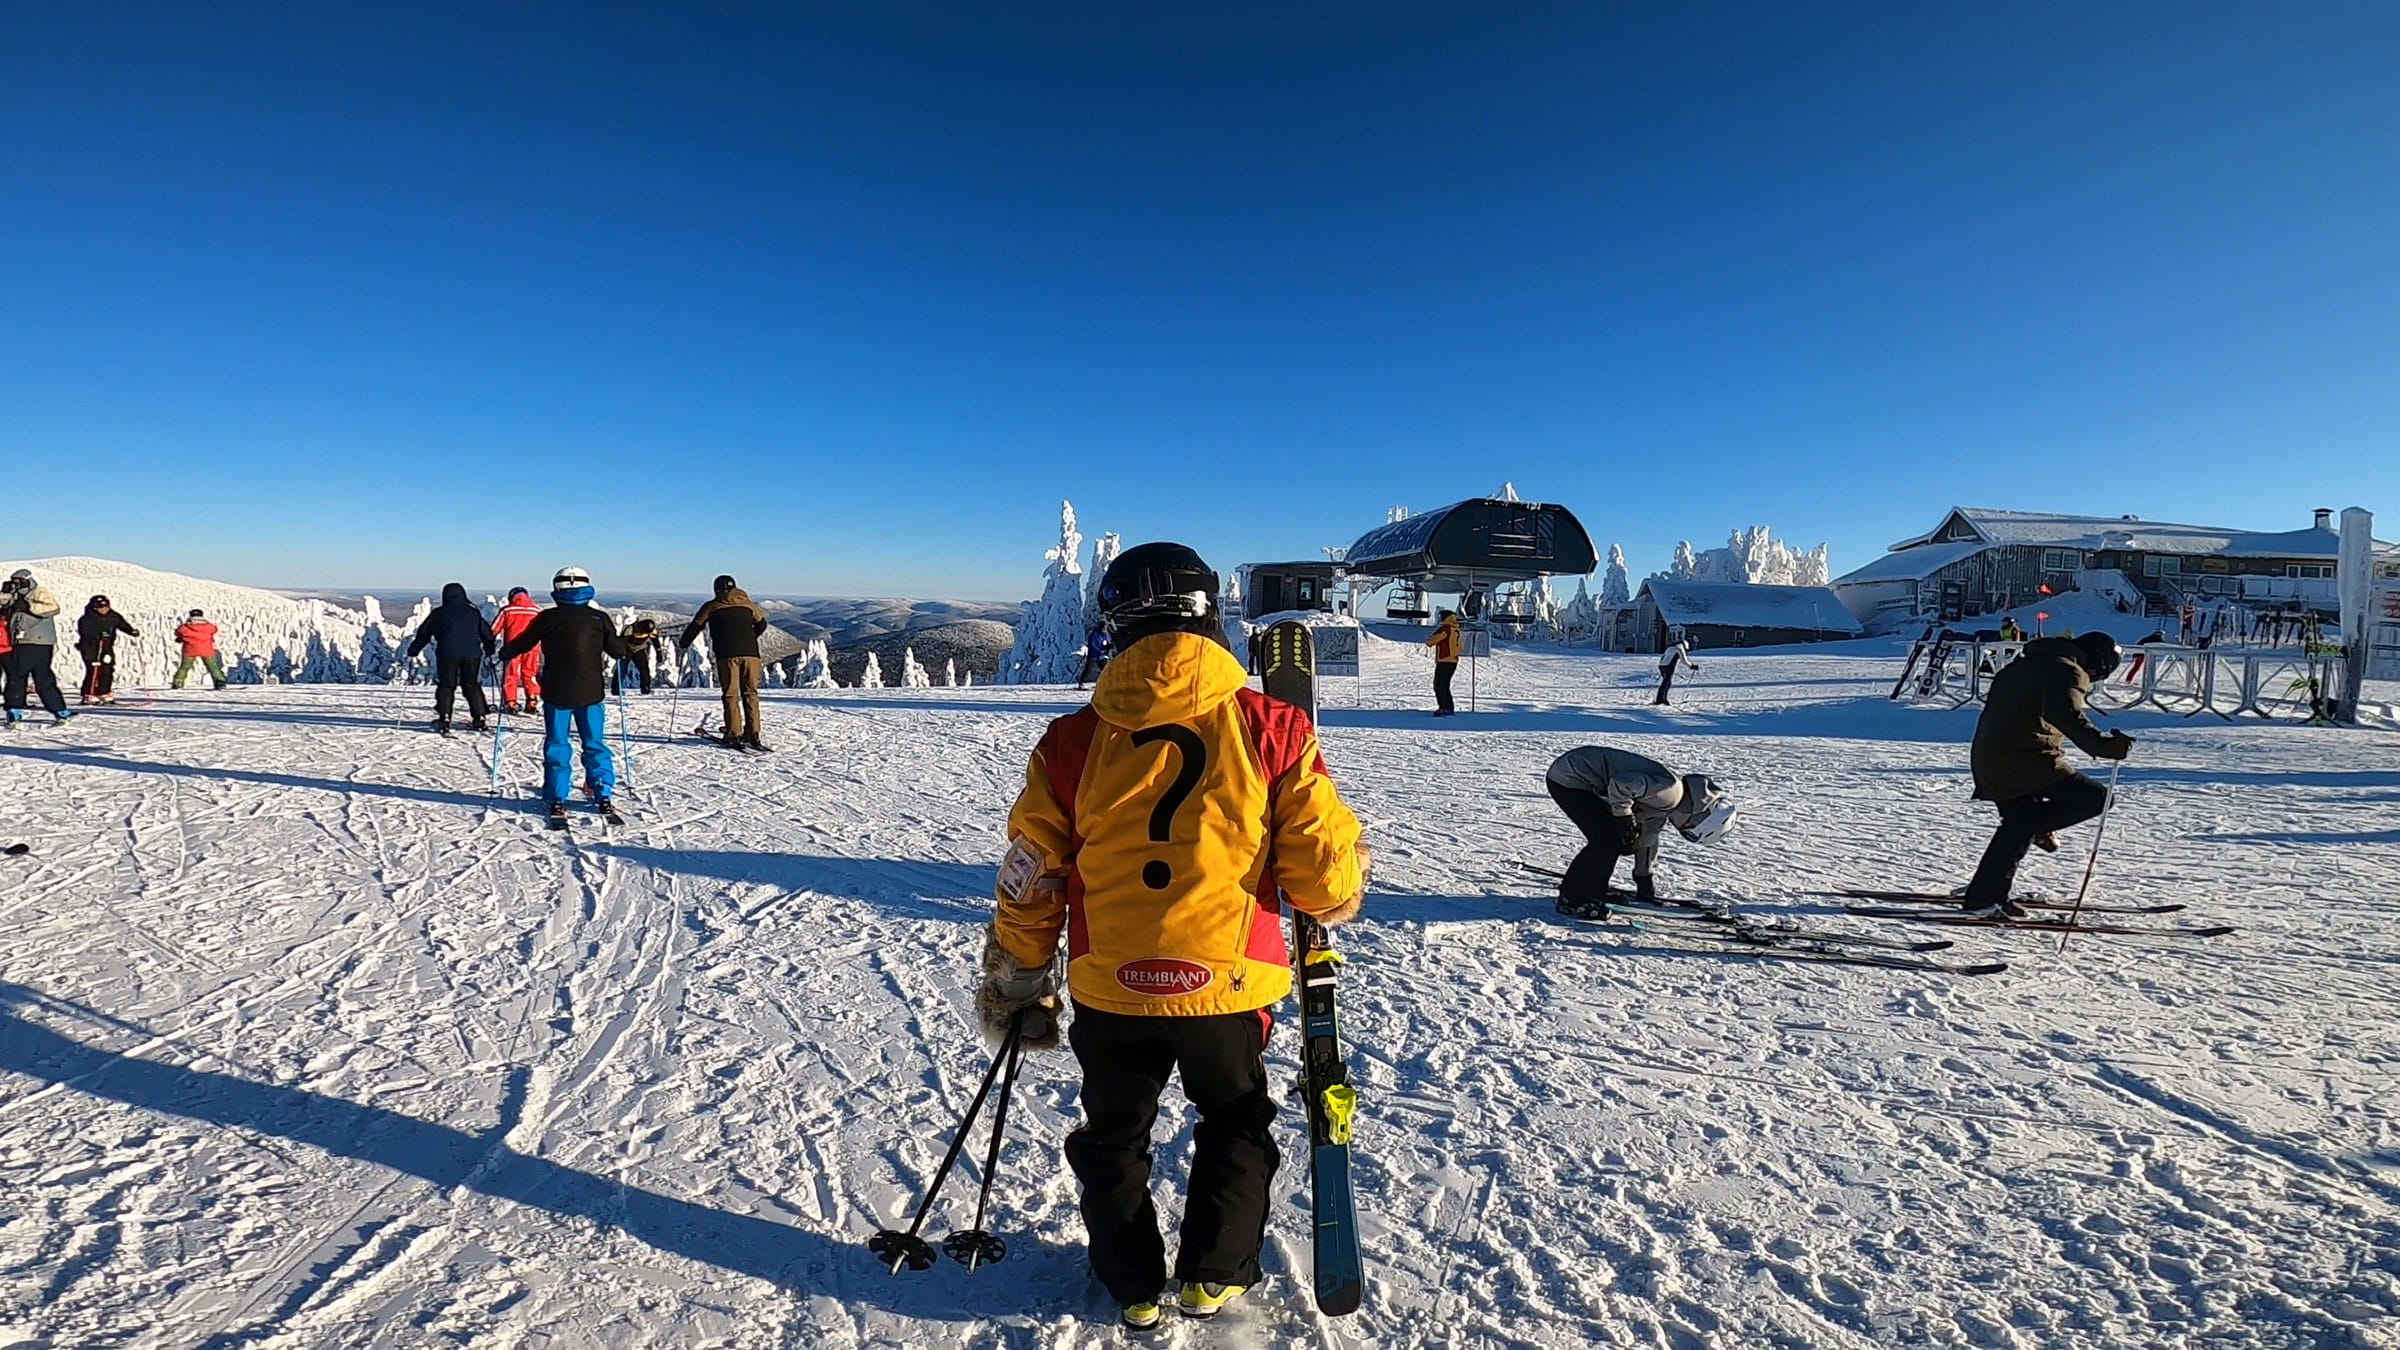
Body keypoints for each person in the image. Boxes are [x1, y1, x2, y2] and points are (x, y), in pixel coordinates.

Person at [980, 541, 1370, 1332]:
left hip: (1110, 984)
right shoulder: (1272, 726)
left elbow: (1032, 876)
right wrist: (1346, 881)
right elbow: (1321, 882)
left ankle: (1129, 1283)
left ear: (1114, 627)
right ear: (1211, 619)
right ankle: (1213, 1275)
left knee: (1115, 1133)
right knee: (1233, 1119)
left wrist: (1020, 975)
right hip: (1228, 984)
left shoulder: (1069, 741)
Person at [1959, 631, 2134, 917]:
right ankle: (1985, 894)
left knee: (2020, 822)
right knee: (2096, 798)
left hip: (1993, 755)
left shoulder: (2024, 664)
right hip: (2024, 759)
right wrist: (2103, 746)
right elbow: (2064, 714)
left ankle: (1984, 894)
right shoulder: (2066, 670)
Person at [496, 567, 628, 826]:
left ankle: (557, 797)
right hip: (591, 693)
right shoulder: (599, 618)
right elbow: (617, 651)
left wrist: (504, 653)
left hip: (556, 692)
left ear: (557, 589)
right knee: (594, 744)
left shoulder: (547, 618)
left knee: (558, 743)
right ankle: (602, 793)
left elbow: (522, 644)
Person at [1543, 747, 1736, 917]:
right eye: (1689, 830)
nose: (1682, 829)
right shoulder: (1672, 794)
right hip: (1570, 777)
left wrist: (1644, 879)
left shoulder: (1669, 805)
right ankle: (1573, 899)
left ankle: (1594, 890)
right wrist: (1624, 817)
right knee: (1605, 840)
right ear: (1696, 817)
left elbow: (1649, 838)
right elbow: (1621, 784)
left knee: (1613, 840)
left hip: (1577, 774)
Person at [678, 574, 770, 751]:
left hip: (727, 655)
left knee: (731, 695)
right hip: (752, 655)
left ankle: (733, 735)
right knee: (751, 693)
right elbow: (762, 624)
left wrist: (684, 644)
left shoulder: (712, 606)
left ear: (717, 589)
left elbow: (695, 626)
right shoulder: (748, 604)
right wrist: (750, 638)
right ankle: (753, 733)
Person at [405, 582, 496, 734]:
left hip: (447, 653)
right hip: (472, 654)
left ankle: (445, 718)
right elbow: (486, 633)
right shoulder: (473, 612)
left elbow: (424, 633)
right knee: (471, 684)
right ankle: (480, 718)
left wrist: (413, 650)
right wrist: (489, 649)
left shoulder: (439, 613)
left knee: (447, 685)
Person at [4, 570, 72, 723]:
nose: (16, 584)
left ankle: (58, 709)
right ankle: (16, 710)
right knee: (20, 676)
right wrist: (5, 593)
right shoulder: (15, 595)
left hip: (38, 640)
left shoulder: (39, 592)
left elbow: (53, 608)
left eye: (18, 581)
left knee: (36, 677)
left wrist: (28, 606)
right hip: (21, 641)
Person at [74, 595, 139, 705]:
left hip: (106, 647)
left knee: (107, 669)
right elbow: (84, 632)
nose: (104, 609)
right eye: (100, 607)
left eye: (105, 607)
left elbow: (122, 624)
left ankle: (104, 691)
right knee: (94, 669)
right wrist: (97, 635)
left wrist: (131, 631)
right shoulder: (87, 618)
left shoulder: (113, 616)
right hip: (91, 647)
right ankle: (89, 693)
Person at [491, 587, 544, 712]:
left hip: (512, 647)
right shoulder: (536, 610)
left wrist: (488, 641)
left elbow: (494, 629)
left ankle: (511, 702)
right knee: (530, 673)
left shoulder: (507, 610)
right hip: (532, 647)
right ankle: (532, 699)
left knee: (511, 674)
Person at [170, 610, 229, 690]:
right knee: (213, 667)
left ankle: (177, 683)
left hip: (190, 650)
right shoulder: (208, 626)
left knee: (184, 667)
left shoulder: (185, 627)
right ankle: (220, 682)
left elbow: (178, 632)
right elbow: (214, 629)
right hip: (206, 649)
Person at [1424, 610, 1462, 715]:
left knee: (1439, 685)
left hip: (1445, 659)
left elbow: (1431, 641)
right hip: (1453, 660)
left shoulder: (1446, 628)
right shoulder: (1456, 629)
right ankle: (1448, 707)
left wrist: (1433, 637)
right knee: (1444, 684)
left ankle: (1444, 707)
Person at [618, 617, 660, 694]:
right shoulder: (630, 628)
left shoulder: (652, 631)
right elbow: (621, 640)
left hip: (639, 650)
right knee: (622, 669)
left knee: (644, 669)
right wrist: (619, 651)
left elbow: (656, 641)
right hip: (627, 649)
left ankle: (645, 687)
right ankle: (616, 688)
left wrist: (659, 653)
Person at [1654, 630, 1697, 706]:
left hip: (1662, 666)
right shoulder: (1679, 649)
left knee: (1666, 682)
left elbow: (1663, 656)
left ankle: (1662, 698)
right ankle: (1660, 700)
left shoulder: (1671, 647)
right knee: (1666, 683)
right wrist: (1691, 666)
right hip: (1669, 666)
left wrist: (1661, 664)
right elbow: (1684, 660)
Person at [1076, 623, 1112, 690]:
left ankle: (1106, 683)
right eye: (1103, 628)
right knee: (1088, 671)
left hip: (1100, 656)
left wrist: (1108, 647)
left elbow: (1103, 644)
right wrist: (1099, 650)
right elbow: (1092, 645)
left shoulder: (1104, 635)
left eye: (1105, 628)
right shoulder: (1094, 634)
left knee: (1106, 669)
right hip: (1093, 655)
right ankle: (1082, 683)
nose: (1104, 629)